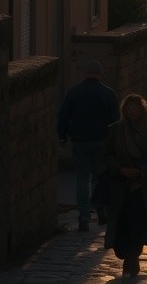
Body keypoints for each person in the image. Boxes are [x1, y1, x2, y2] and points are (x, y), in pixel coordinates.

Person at [103, 94, 147, 278]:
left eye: (135, 108)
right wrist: (120, 169)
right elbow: (107, 154)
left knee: (138, 224)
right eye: (128, 108)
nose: (132, 111)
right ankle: (127, 256)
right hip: (120, 186)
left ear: (142, 109)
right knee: (122, 223)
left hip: (143, 187)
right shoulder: (115, 130)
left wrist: (141, 171)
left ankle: (132, 259)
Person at [57, 59, 120, 231]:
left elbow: (63, 116)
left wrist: (63, 136)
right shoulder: (109, 94)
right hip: (102, 141)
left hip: (80, 141)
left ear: (86, 73)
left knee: (82, 178)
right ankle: (100, 208)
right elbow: (116, 121)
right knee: (99, 177)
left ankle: (84, 216)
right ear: (100, 73)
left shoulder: (74, 93)